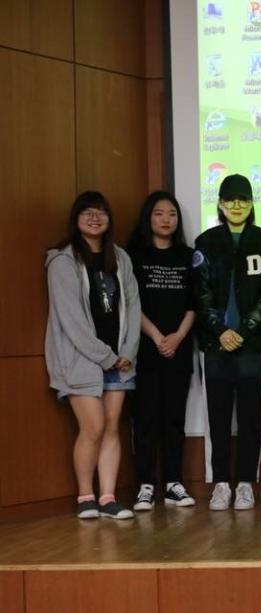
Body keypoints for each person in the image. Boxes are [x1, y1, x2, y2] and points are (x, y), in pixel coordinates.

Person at [45, 191, 141, 520]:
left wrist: (126, 352)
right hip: (81, 360)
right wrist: (106, 357)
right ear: (76, 219)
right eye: (87, 212)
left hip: (120, 360)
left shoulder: (121, 258)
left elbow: (133, 307)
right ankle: (85, 496)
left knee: (112, 426)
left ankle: (108, 498)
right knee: (94, 426)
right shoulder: (63, 261)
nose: (95, 218)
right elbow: (70, 319)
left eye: (101, 212)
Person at [193, 174, 261, 511]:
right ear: (220, 204)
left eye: (243, 199)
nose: (236, 205)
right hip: (215, 345)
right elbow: (200, 293)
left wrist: (243, 331)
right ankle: (220, 484)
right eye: (230, 200)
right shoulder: (206, 242)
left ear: (251, 203)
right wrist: (220, 330)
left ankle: (245, 483)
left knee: (249, 417)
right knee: (216, 417)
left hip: (252, 347)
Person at [127, 191, 196, 511]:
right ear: (148, 217)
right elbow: (132, 304)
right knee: (145, 419)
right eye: (159, 213)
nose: (166, 220)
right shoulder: (133, 256)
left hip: (178, 350)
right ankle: (145, 485)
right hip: (145, 351)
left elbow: (194, 304)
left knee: (173, 419)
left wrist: (177, 337)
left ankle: (172, 484)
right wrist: (157, 337)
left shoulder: (189, 256)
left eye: (172, 214)